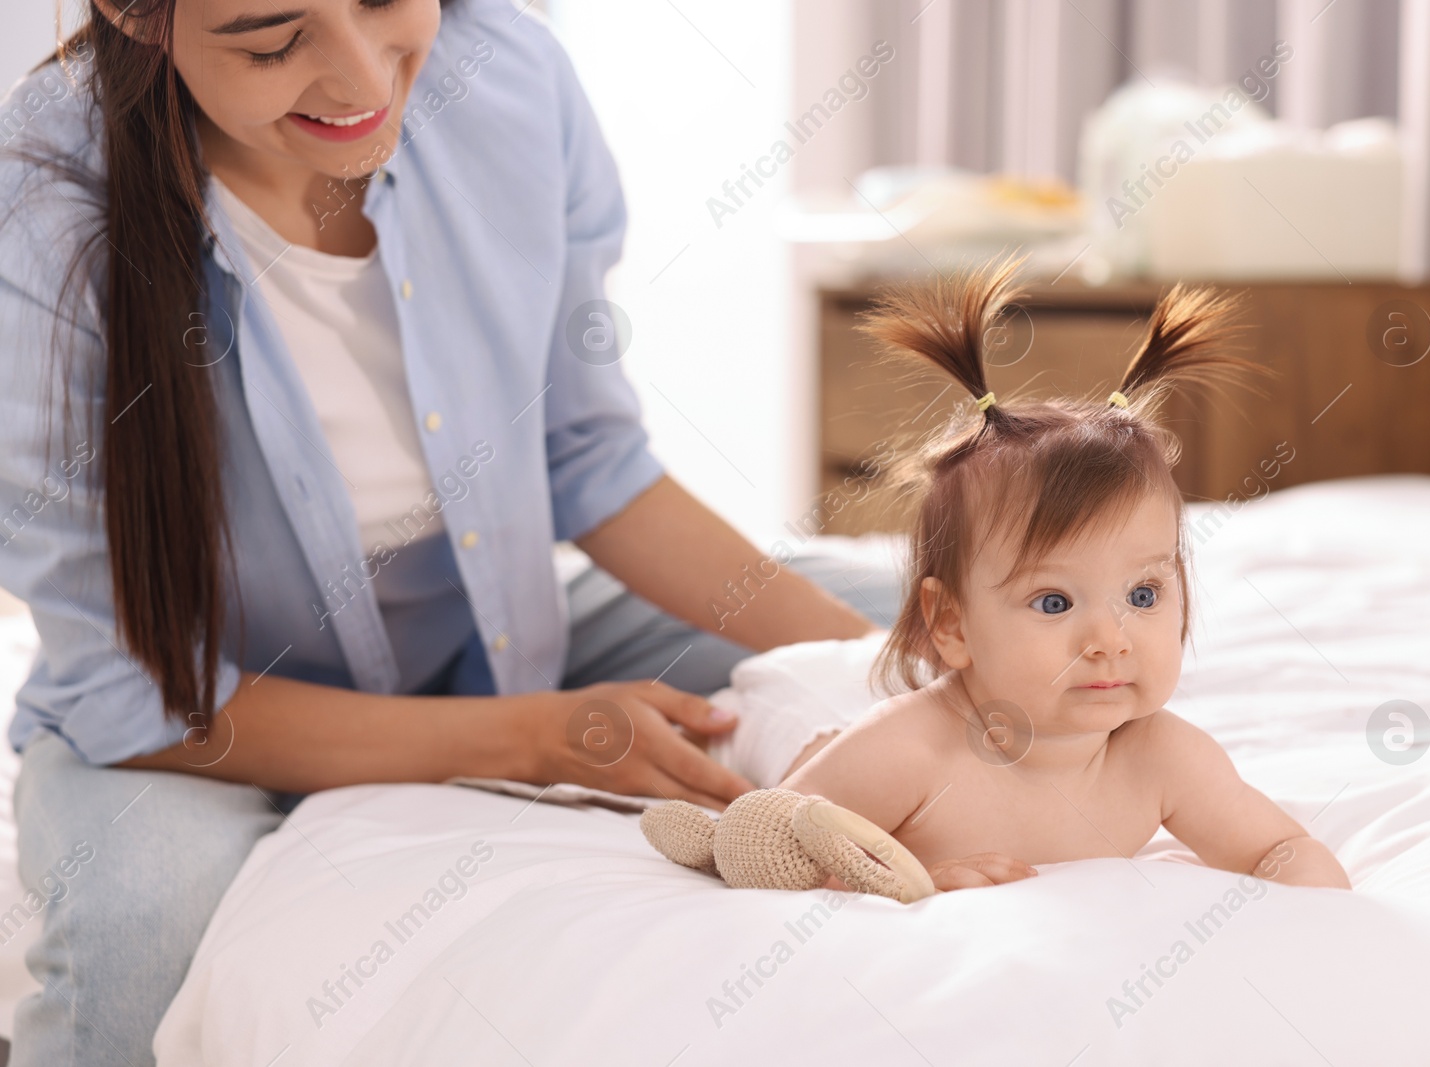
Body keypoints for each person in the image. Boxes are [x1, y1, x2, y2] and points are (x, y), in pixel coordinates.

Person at [0, 0, 894, 1062]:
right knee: (133, 927)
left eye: (384, 0)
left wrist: (882, 676)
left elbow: (586, 462)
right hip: (208, 720)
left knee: (917, 613)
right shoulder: (43, 211)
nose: (361, 82)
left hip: (496, 632)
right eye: (272, 40)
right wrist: (537, 735)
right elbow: (130, 690)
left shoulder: (506, 76)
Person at [783, 258, 1353, 891]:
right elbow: (768, 851)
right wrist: (912, 878)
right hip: (798, 715)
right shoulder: (906, 753)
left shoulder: (1160, 757)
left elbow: (1278, 850)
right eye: (1054, 602)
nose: (1110, 639)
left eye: (1143, 594)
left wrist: (1312, 905)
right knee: (795, 703)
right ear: (950, 622)